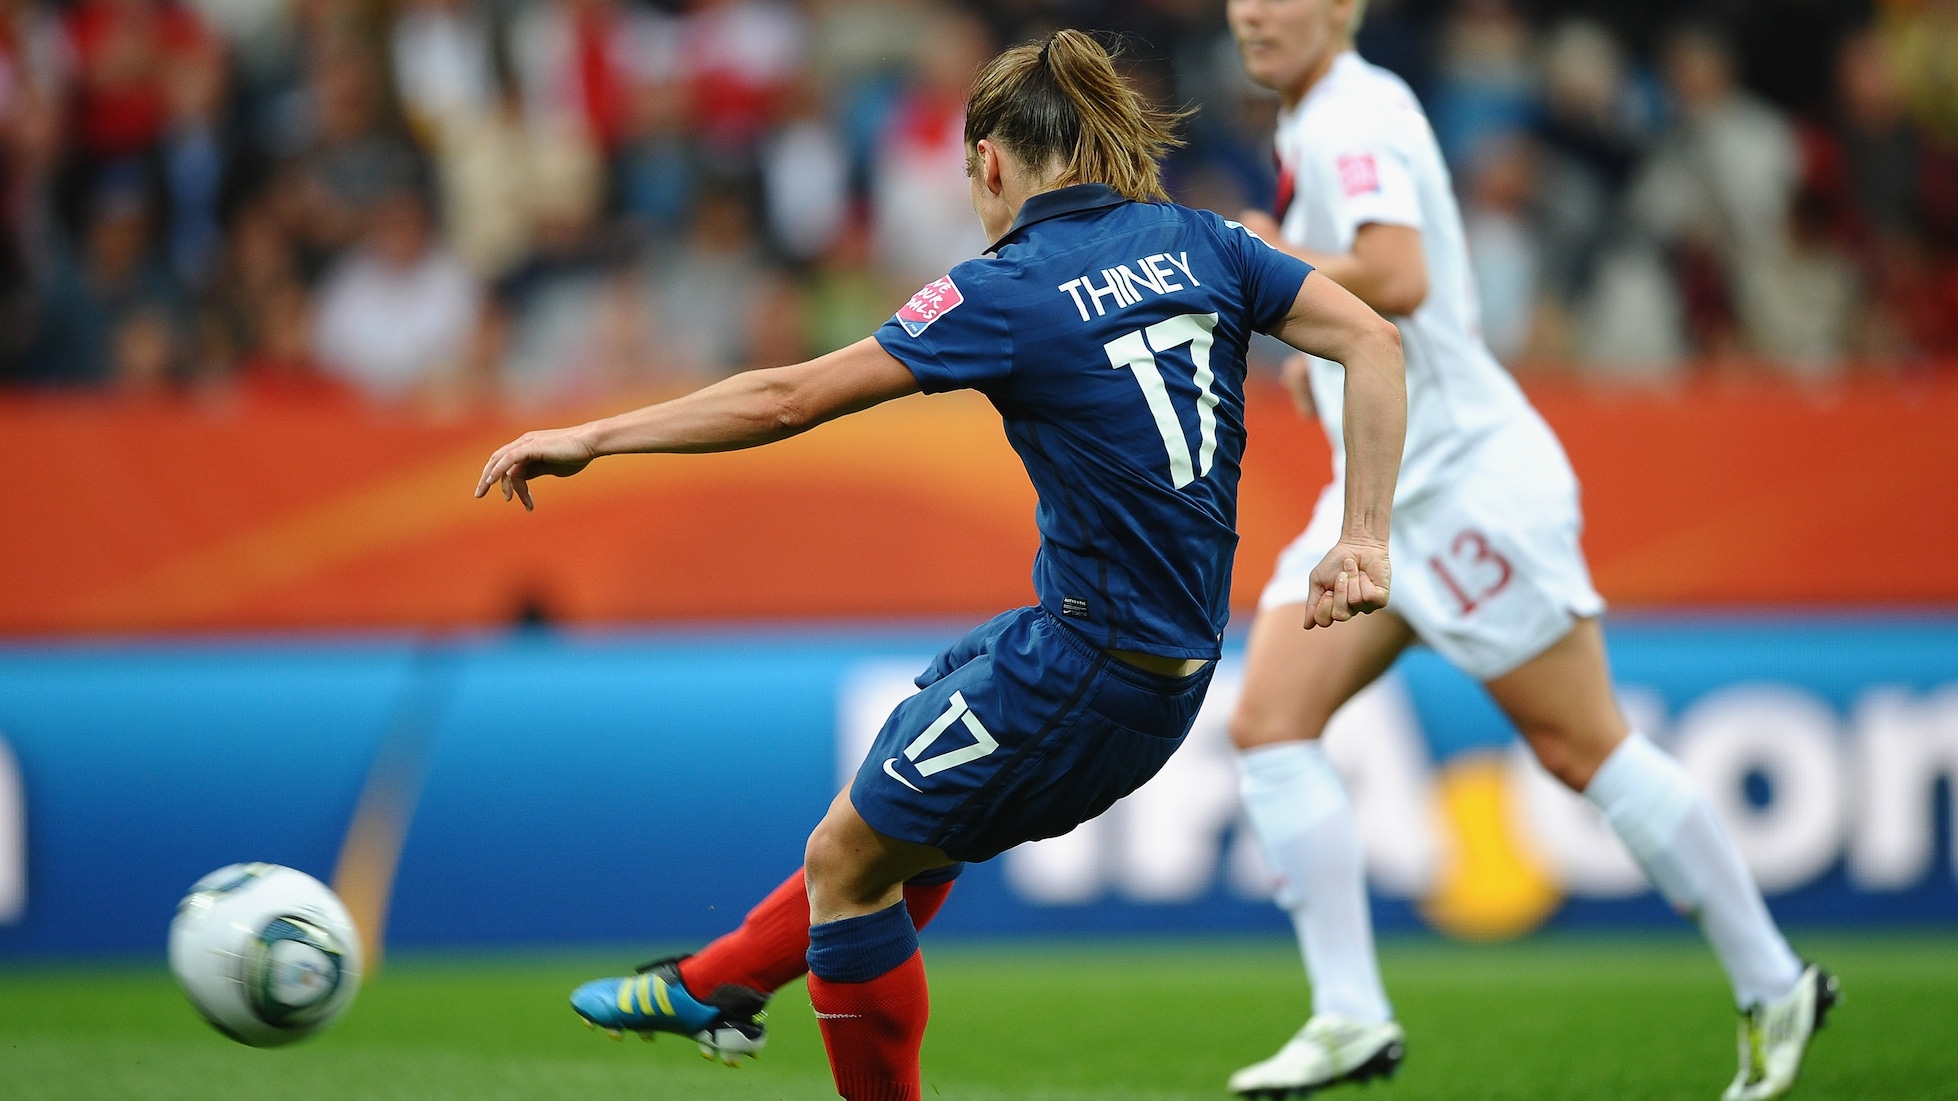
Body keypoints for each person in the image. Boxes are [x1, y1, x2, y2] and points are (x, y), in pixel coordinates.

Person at [473, 30, 1407, 1101]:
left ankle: (719, 986)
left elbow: (787, 398)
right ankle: (715, 982)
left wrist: (593, 437)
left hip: (1087, 674)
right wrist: (1360, 535)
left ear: (992, 163)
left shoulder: (1003, 287)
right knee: (902, 798)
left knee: (845, 861)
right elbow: (1373, 342)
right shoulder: (1202, 242)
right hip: (1139, 659)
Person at [1221, 3, 1835, 1100]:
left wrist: (1246, 259)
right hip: (1379, 485)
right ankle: (1348, 1017)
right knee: (1268, 722)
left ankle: (1772, 979)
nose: (1253, 12)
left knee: (1579, 745)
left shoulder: (1350, 113)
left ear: (1342, 9)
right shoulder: (1318, 114)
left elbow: (1393, 275)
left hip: (1460, 488)